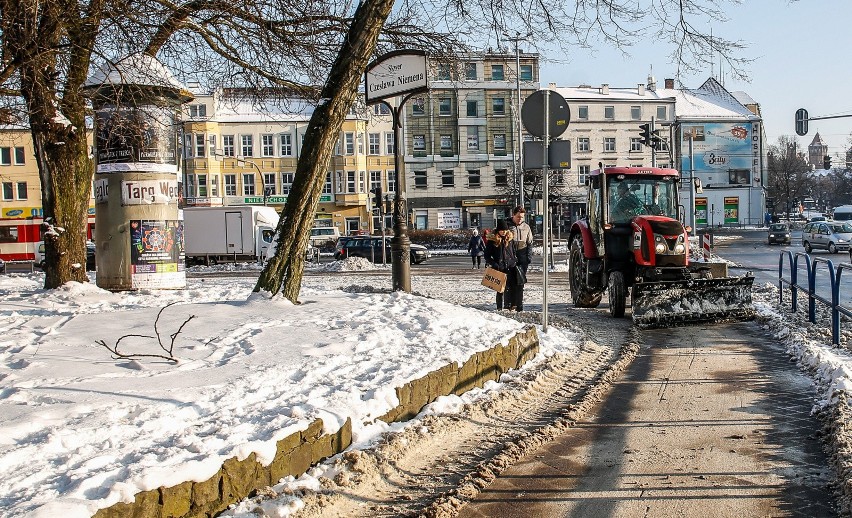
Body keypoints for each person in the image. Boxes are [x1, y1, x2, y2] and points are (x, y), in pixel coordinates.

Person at [484, 219, 517, 311]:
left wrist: (514, 261)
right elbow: (487, 255)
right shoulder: (493, 240)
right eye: (502, 230)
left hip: (510, 267)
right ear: (498, 230)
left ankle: (510, 306)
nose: (504, 232)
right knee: (500, 289)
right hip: (499, 268)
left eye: (505, 230)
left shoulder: (510, 239)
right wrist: (494, 264)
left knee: (510, 287)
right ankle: (499, 307)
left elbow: (513, 252)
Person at [506, 206, 533, 311]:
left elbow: (530, 243)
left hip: (522, 258)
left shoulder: (526, 227)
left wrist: (528, 257)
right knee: (510, 282)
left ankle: (519, 305)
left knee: (520, 282)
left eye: (522, 217)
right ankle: (509, 304)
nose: (520, 219)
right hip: (510, 257)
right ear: (513, 215)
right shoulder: (507, 226)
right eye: (518, 217)